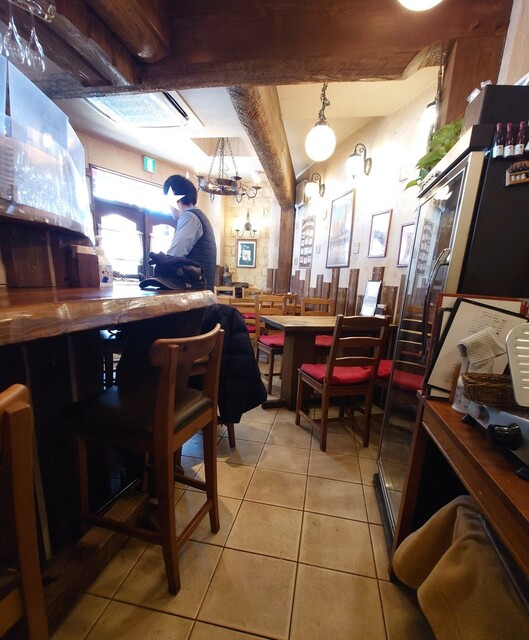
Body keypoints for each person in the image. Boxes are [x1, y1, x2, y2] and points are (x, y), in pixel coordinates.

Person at [162, 174, 217, 290]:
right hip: (201, 291)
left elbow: (174, 256)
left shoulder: (189, 217)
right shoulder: (199, 217)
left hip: (193, 292)